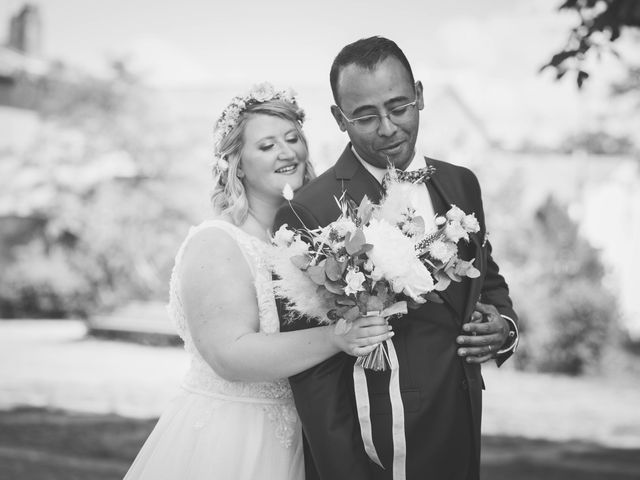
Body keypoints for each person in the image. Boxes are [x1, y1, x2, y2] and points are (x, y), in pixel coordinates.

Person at [274, 37, 519, 480]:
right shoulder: (311, 211)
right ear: (339, 119)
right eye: (365, 116)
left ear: (420, 95)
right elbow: (313, 374)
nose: (387, 128)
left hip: (461, 422)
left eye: (399, 107)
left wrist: (504, 327)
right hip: (382, 446)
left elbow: (488, 279)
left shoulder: (462, 183)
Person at [123, 83, 394, 480]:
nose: (287, 152)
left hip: (307, 442)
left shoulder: (314, 240)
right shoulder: (217, 242)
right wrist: (337, 338)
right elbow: (228, 355)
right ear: (237, 163)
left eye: (292, 138)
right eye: (267, 146)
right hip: (231, 440)